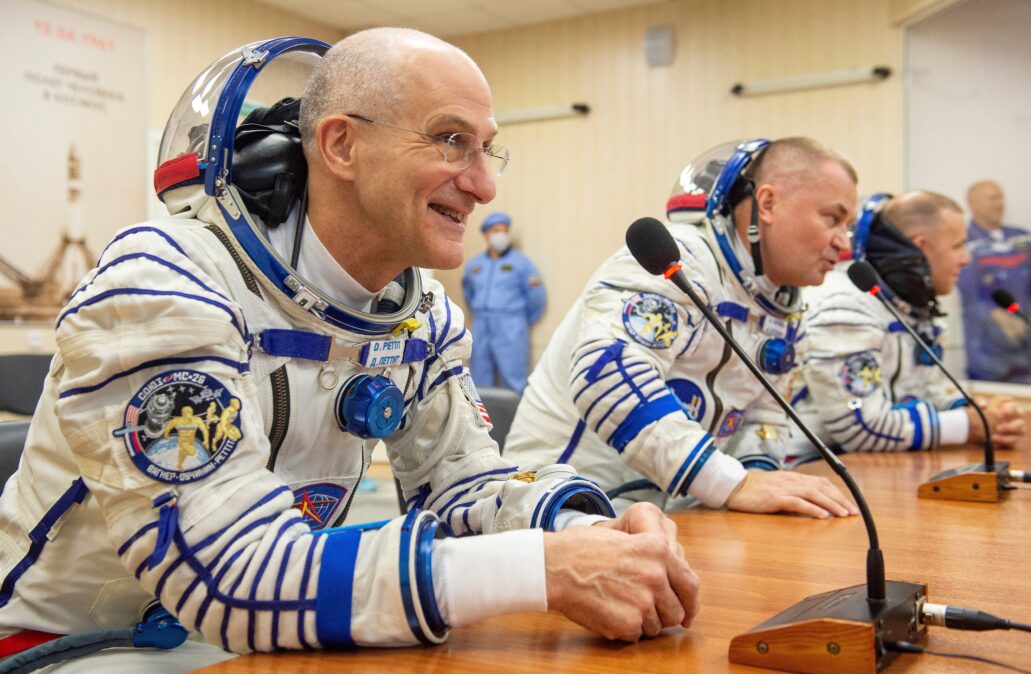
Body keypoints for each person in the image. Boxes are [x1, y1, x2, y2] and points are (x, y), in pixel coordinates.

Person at [0, 30, 698, 670]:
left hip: (242, 638)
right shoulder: (162, 284)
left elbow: (462, 483)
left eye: (486, 149)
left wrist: (591, 535)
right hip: (64, 645)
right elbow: (232, 573)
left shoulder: (419, 314)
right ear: (339, 146)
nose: (484, 186)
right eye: (450, 140)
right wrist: (541, 569)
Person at [504, 138, 860, 519]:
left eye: (849, 227)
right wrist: (732, 484)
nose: (844, 244)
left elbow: (764, 418)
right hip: (563, 502)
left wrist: (758, 479)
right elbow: (607, 377)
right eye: (832, 219)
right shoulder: (678, 262)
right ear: (768, 204)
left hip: (672, 511)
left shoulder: (784, 308)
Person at [788, 192, 1027, 465]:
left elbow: (927, 389)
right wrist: (966, 426)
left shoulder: (910, 304)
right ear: (921, 246)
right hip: (809, 470)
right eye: (958, 246)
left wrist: (982, 414)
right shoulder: (843, 305)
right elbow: (860, 427)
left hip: (873, 467)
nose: (966, 259)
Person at [958, 180, 1031, 384]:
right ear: (972, 204)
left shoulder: (1023, 238)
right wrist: (996, 315)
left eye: (1000, 197)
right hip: (991, 356)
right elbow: (969, 291)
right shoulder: (964, 242)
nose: (999, 204)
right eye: (992, 198)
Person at [462, 212, 546, 393]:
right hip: (480, 323)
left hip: (510, 325)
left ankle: (514, 412)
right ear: (486, 234)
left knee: (513, 377)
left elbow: (536, 297)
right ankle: (479, 411)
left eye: (504, 231)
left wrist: (519, 320)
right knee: (479, 376)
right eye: (496, 231)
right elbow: (468, 293)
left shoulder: (521, 263)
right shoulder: (474, 265)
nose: (501, 235)